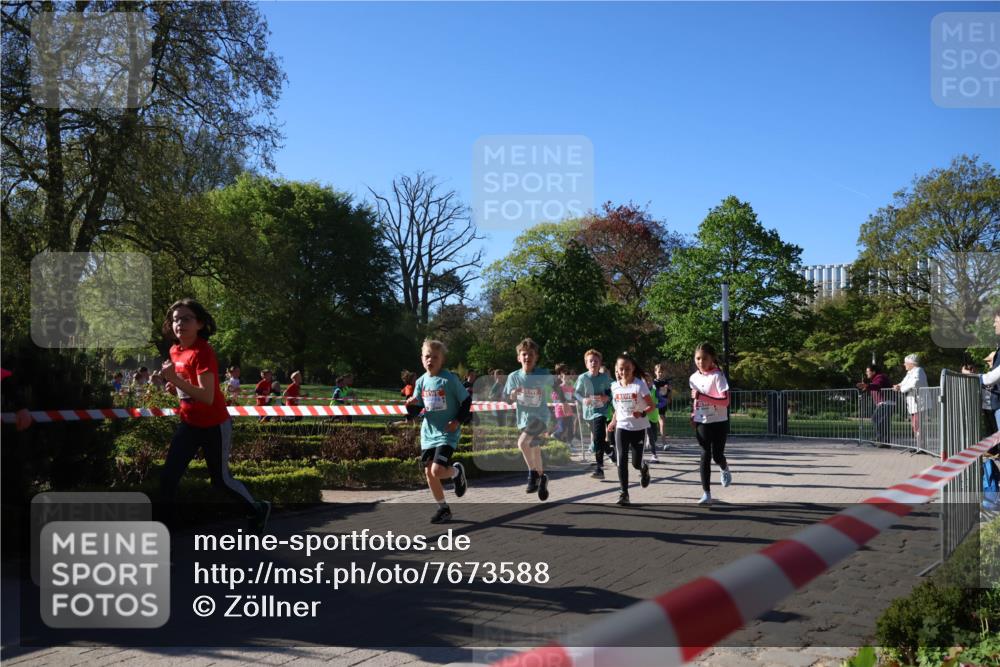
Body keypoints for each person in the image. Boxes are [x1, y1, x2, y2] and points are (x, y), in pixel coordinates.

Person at [157, 298, 270, 533]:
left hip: (214, 425)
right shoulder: (174, 351)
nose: (180, 324)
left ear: (199, 323)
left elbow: (207, 397)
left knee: (220, 481)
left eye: (186, 319)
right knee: (168, 478)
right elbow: (188, 389)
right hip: (189, 424)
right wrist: (174, 388)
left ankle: (257, 508)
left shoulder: (203, 352)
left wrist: (175, 379)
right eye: (175, 320)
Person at [406, 339, 472, 524]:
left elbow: (466, 401)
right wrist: (410, 406)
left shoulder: (449, 379)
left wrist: (457, 421)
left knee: (436, 470)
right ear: (422, 359)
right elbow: (417, 409)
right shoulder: (421, 381)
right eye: (427, 356)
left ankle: (456, 472)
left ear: (442, 360)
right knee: (429, 473)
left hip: (447, 433)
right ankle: (443, 509)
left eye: (435, 357)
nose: (430, 360)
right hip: (428, 434)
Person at [503, 338, 554, 501]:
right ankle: (542, 478)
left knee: (522, 443)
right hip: (524, 420)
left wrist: (565, 402)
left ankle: (532, 475)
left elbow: (557, 385)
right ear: (519, 357)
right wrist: (512, 395)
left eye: (531, 354)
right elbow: (506, 398)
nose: (527, 357)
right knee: (534, 449)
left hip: (541, 417)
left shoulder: (543, 374)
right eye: (524, 354)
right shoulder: (513, 377)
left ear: (536, 357)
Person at [607, 353, 655, 506]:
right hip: (622, 427)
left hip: (638, 427)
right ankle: (624, 493)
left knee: (635, 463)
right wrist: (613, 422)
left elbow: (651, 405)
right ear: (617, 369)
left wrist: (641, 413)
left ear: (633, 368)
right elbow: (617, 407)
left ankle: (643, 468)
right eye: (621, 369)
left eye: (627, 368)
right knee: (621, 460)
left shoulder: (639, 385)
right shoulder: (614, 386)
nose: (624, 372)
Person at [689, 342, 732, 505]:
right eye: (698, 358)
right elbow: (695, 400)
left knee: (717, 455)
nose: (701, 362)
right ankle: (706, 493)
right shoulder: (693, 378)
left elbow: (725, 401)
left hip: (719, 421)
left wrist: (702, 397)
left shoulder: (718, 376)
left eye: (704, 358)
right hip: (702, 421)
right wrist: (693, 414)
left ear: (712, 358)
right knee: (704, 454)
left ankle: (724, 467)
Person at [575, 349, 612, 478]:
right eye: (590, 361)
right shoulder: (583, 377)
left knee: (597, 439)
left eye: (596, 361)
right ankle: (611, 452)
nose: (593, 363)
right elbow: (576, 393)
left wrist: (607, 397)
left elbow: (611, 391)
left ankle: (599, 468)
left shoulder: (605, 377)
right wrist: (583, 399)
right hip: (588, 413)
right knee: (599, 439)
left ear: (600, 363)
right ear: (586, 364)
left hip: (601, 412)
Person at [893, 354, 928, 448]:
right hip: (913, 403)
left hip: (919, 403)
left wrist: (901, 388)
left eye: (905, 363)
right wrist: (898, 386)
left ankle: (921, 446)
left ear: (911, 363)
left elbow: (914, 383)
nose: (904, 364)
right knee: (915, 425)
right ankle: (918, 445)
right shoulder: (910, 372)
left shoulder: (919, 370)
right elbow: (904, 382)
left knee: (917, 425)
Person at [857, 364, 892, 444]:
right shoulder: (876, 378)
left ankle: (881, 440)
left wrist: (867, 385)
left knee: (877, 419)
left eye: (868, 371)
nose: (866, 373)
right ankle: (883, 441)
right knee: (880, 421)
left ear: (873, 372)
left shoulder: (880, 377)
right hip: (884, 403)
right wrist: (866, 387)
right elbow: (875, 386)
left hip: (886, 403)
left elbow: (877, 385)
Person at [642, 372, 660, 463]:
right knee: (650, 435)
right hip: (644, 416)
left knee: (654, 437)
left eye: (649, 380)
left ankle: (649, 445)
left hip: (654, 416)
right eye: (646, 381)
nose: (648, 382)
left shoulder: (655, 391)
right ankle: (654, 455)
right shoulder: (640, 392)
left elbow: (662, 401)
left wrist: (658, 404)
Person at [653, 363, 672, 448]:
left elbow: (668, 393)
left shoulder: (666, 382)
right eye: (659, 372)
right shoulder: (653, 382)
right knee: (653, 424)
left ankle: (664, 443)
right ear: (655, 372)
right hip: (654, 405)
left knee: (662, 423)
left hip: (662, 405)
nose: (660, 373)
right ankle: (651, 442)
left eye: (662, 372)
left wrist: (669, 397)